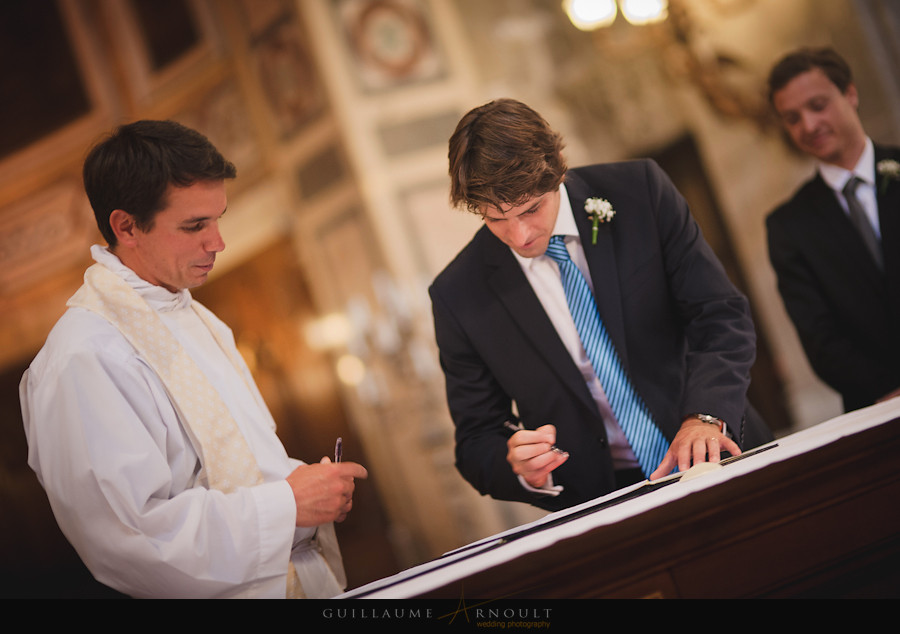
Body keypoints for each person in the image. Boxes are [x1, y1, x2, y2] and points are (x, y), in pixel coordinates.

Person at [19, 120, 368, 598]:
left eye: (218, 218)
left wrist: (309, 491)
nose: (218, 242)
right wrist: (288, 504)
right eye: (194, 225)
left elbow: (242, 472)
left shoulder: (196, 318)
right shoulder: (83, 357)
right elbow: (133, 540)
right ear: (127, 226)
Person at [429, 99, 772, 511]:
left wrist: (705, 416)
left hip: (717, 453)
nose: (519, 236)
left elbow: (720, 316)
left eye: (532, 209)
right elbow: (475, 440)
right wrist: (516, 464)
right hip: (601, 504)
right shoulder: (457, 294)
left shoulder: (640, 192)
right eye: (495, 219)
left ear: (556, 166)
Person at [765, 47, 900, 412]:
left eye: (818, 105)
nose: (808, 126)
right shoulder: (788, 226)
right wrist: (887, 392)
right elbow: (819, 337)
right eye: (792, 118)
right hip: (878, 410)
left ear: (850, 94)